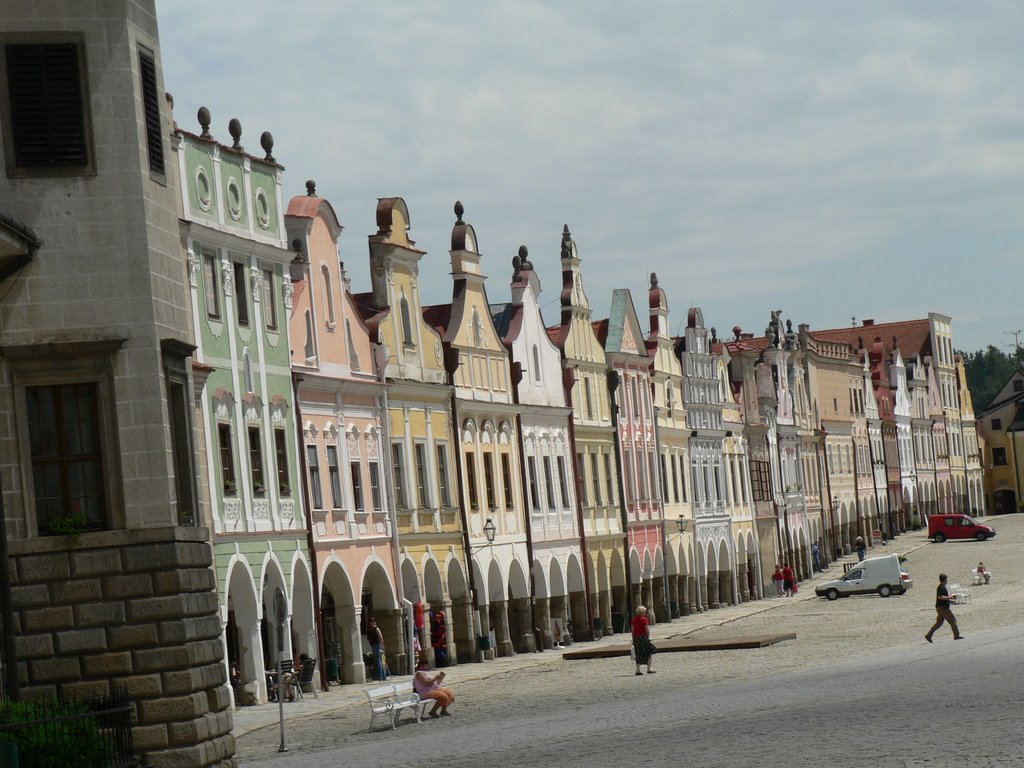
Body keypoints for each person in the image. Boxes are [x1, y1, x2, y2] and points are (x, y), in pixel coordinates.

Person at [925, 573, 962, 643]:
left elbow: (942, 598)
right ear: (945, 579)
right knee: (953, 620)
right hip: (943, 608)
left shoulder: (942, 587)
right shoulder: (941, 587)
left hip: (940, 607)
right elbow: (940, 597)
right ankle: (956, 635)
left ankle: (929, 635)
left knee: (939, 623)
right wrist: (950, 597)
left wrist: (950, 600)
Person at [631, 605, 655, 676]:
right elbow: (647, 629)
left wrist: (633, 638)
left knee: (638, 653)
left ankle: (638, 670)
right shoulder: (644, 619)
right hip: (643, 637)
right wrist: (647, 636)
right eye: (644, 612)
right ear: (642, 612)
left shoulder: (634, 619)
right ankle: (649, 668)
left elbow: (632, 630)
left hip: (636, 638)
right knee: (649, 651)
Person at [367, 617, 387, 681]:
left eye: (373, 622)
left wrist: (382, 645)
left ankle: (380, 676)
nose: (372, 623)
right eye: (371, 622)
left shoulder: (376, 629)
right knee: (378, 661)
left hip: (377, 645)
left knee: (378, 661)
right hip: (373, 645)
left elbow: (381, 637)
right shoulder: (370, 630)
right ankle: (383, 676)